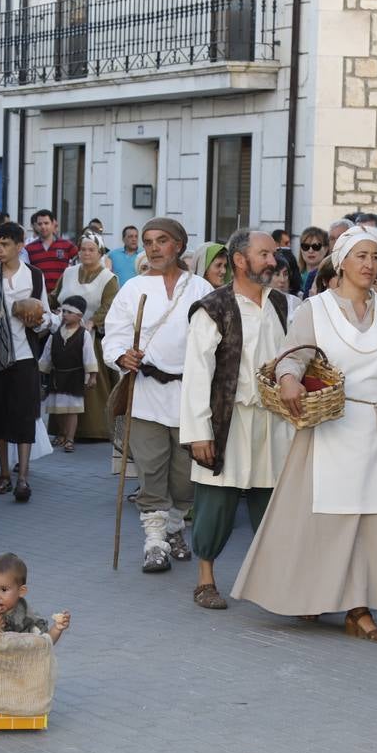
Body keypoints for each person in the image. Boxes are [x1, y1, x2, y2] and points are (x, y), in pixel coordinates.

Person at [231, 226, 377, 641]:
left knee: (370, 522)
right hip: (331, 428)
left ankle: (359, 609)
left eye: (375, 256)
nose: (369, 264)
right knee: (321, 519)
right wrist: (287, 379)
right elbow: (293, 357)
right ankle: (310, 595)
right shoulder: (314, 309)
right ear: (340, 262)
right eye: (361, 256)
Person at [181, 230, 291, 610]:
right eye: (264, 254)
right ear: (240, 260)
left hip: (275, 421)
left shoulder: (284, 305)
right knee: (216, 499)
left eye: (273, 255)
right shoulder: (212, 308)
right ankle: (205, 579)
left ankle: (275, 583)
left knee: (272, 498)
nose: (272, 261)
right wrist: (199, 432)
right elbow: (197, 374)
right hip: (229, 420)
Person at [103, 218, 213, 572]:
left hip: (189, 394)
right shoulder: (133, 288)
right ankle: (154, 543)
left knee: (184, 477)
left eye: (161, 241)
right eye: (148, 242)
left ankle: (174, 525)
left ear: (179, 245)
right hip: (146, 393)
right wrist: (123, 356)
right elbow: (114, 335)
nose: (153, 248)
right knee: (151, 471)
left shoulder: (199, 288)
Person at [0, 222, 56, 503]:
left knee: (23, 416)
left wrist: (37, 318)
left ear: (20, 246)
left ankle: (22, 478)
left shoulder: (34, 276)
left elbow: (44, 314)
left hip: (24, 356)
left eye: (6, 244)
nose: (0, 249)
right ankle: (4, 474)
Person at [52, 233, 120, 442]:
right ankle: (62, 430)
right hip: (65, 335)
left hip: (91, 337)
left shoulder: (108, 278)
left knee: (92, 382)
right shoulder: (69, 272)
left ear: (100, 253)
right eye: (83, 249)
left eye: (92, 250)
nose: (86, 253)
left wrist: (92, 322)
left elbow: (110, 305)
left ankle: (93, 429)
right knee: (63, 380)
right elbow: (56, 296)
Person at [0, 553, 70, 643]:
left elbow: (45, 644)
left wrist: (57, 629)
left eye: (4, 590)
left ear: (21, 591)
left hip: (17, 666)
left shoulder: (28, 617)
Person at [38, 296, 97, 452]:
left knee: (72, 409)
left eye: (69, 312)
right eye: (63, 311)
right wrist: (41, 372)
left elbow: (89, 355)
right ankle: (62, 434)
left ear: (79, 316)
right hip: (57, 376)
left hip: (74, 377)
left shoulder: (83, 335)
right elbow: (47, 355)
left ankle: (70, 439)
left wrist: (92, 376)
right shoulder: (55, 334)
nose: (64, 315)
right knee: (58, 408)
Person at [25, 210, 76, 295]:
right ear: (36, 226)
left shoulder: (67, 245)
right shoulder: (29, 249)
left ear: (53, 224)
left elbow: (81, 260)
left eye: (46, 223)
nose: (43, 227)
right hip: (39, 295)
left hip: (62, 294)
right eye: (40, 224)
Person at [295, 226, 329, 296]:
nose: (310, 251)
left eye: (316, 246)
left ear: (326, 249)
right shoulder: (293, 275)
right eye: (305, 246)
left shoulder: (330, 277)